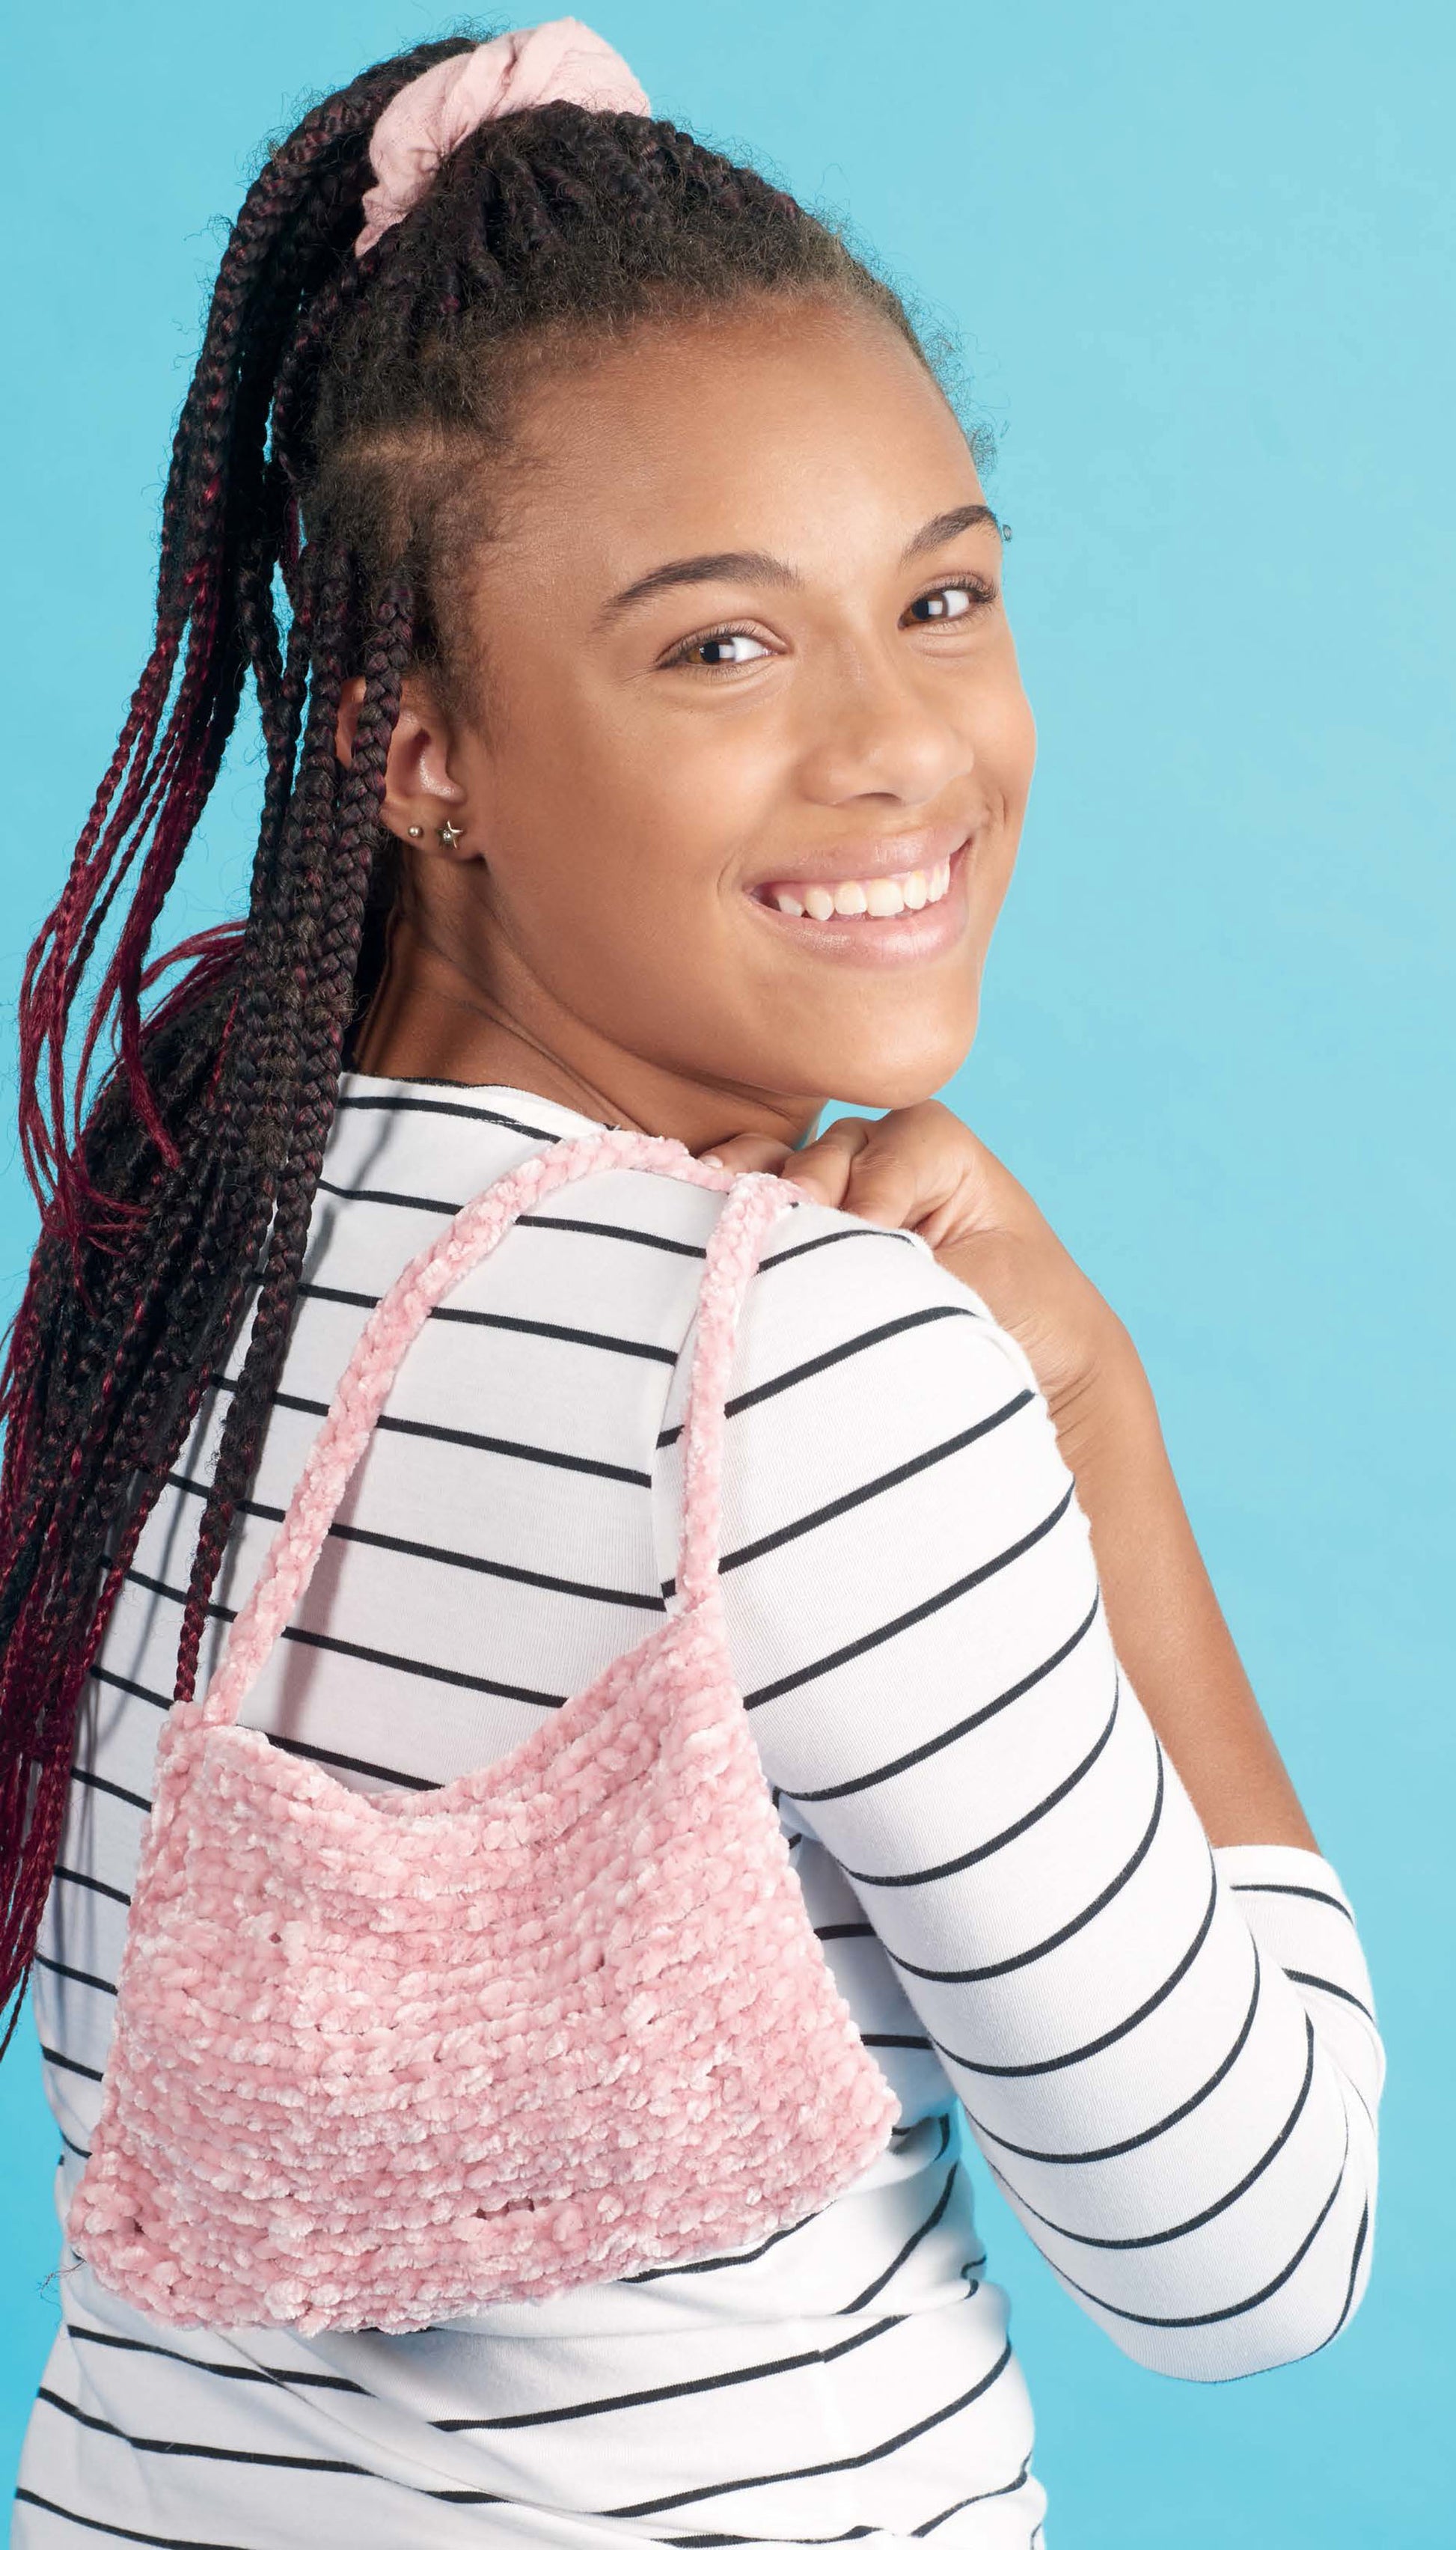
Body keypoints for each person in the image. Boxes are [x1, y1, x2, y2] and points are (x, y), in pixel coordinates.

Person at [1, 22, 1383, 2548]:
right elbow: (1251, 2258)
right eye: (721, 649)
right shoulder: (813, 1377)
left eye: (939, 599)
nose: (901, 754)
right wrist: (1096, 1421)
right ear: (414, 746)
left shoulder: (166, 1231)